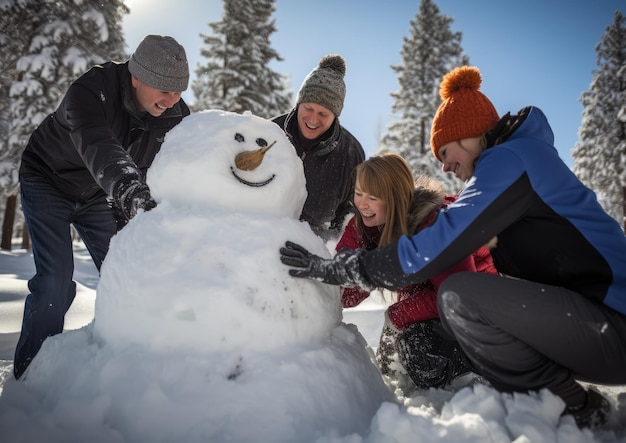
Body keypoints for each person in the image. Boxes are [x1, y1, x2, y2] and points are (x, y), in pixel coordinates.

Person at [280, 65, 626, 429]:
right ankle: (553, 399)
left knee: (460, 295)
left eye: (445, 150)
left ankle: (571, 406)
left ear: (469, 136)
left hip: (612, 325)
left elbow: (438, 243)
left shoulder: (511, 161)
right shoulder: (518, 166)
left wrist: (344, 268)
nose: (444, 165)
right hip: (591, 327)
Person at [15, 35, 191, 380]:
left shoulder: (174, 115)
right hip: (49, 179)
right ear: (136, 76)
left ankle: (132, 370)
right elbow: (98, 143)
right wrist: (129, 188)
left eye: (179, 90)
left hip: (100, 193)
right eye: (163, 89)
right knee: (54, 282)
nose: (172, 101)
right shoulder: (91, 91)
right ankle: (30, 378)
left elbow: (190, 160)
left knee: (129, 271)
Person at [337, 153, 496, 390]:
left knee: (419, 348)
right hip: (443, 306)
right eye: (359, 193)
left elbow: (457, 294)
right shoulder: (363, 226)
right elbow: (347, 295)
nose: (362, 204)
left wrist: (398, 316)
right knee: (413, 342)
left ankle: (475, 378)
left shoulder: (433, 225)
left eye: (373, 196)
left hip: (482, 309)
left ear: (395, 198)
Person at [272, 54, 365, 241]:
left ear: (335, 115)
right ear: (299, 104)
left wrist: (326, 243)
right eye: (308, 108)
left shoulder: (351, 154)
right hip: (263, 240)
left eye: (323, 113)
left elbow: (351, 213)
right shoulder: (270, 132)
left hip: (312, 249)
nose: (313, 120)